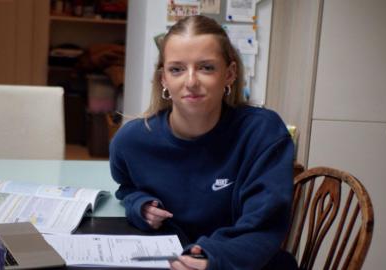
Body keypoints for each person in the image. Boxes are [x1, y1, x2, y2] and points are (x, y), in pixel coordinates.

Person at [110, 15, 297, 270]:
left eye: (206, 67)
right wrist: (140, 205)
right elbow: (127, 188)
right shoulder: (131, 141)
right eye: (177, 69)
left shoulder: (262, 133)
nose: (191, 82)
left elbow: (263, 224)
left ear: (229, 74)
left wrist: (212, 257)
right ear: (163, 78)